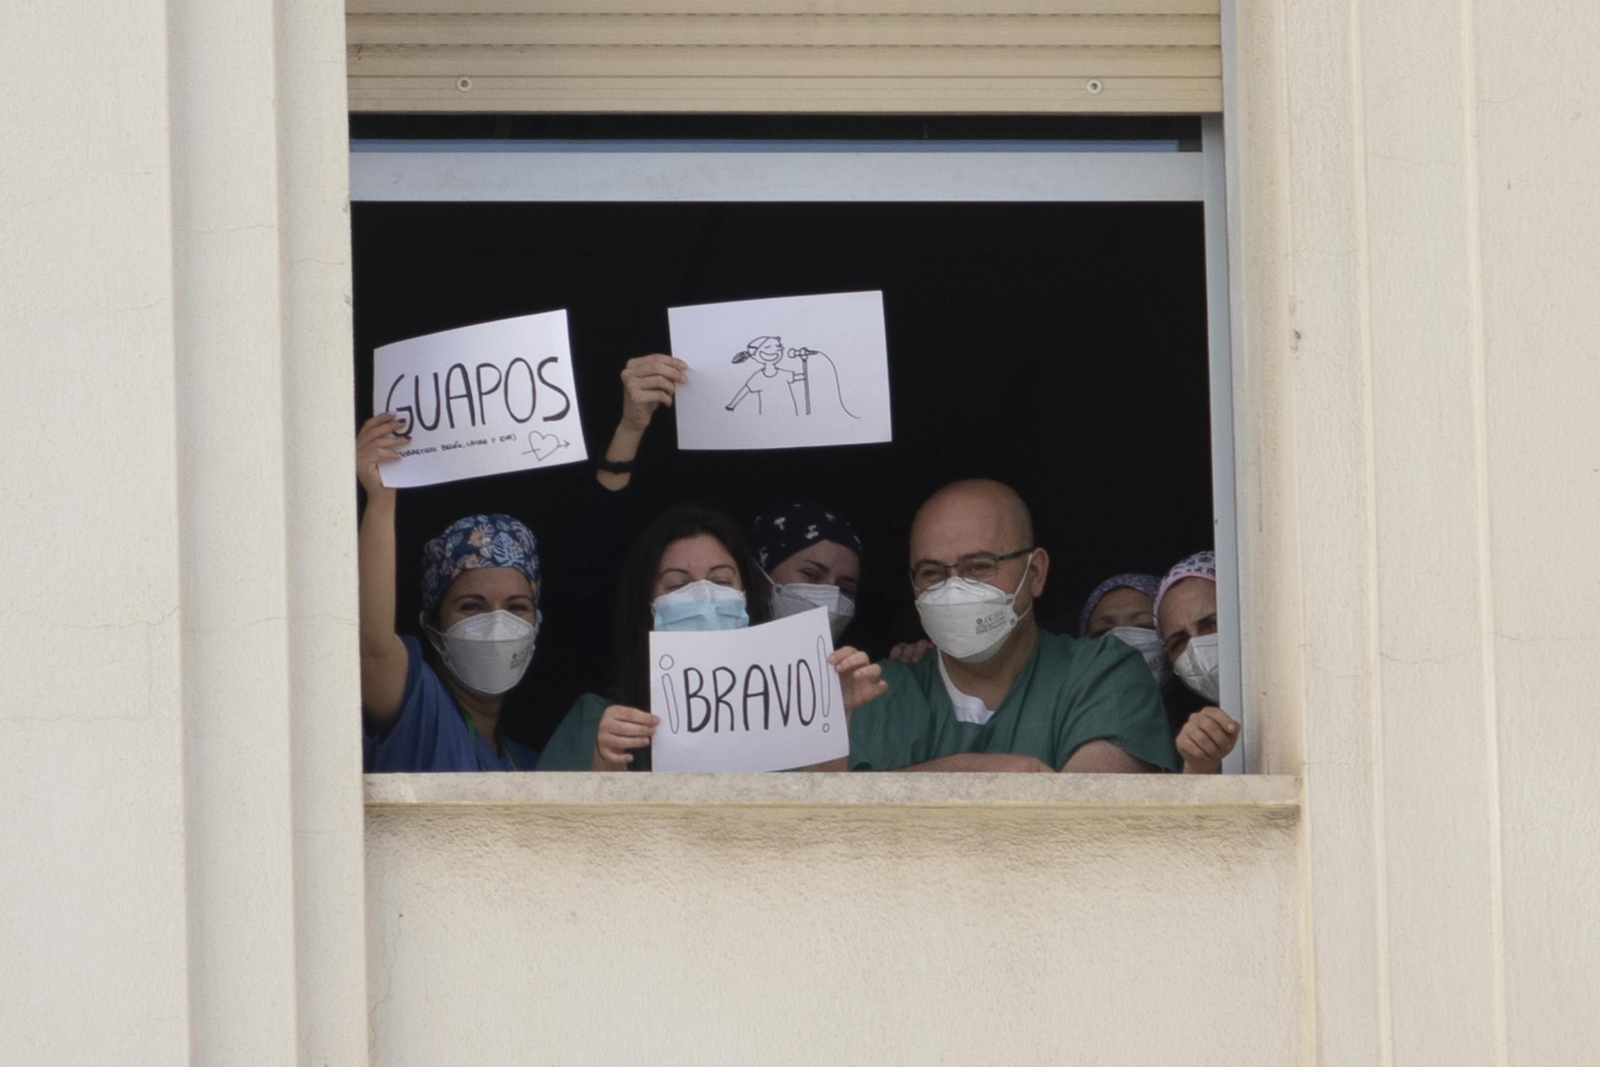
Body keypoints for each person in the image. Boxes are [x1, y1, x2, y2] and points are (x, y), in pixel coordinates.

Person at [847, 480, 1180, 772]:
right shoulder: (874, 694)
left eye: (978, 567)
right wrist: (984, 772)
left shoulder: (1104, 673)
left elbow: (1086, 818)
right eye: (931, 573)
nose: (953, 589)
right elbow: (825, 817)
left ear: (1035, 573)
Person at [538, 504, 886, 771]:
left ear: (748, 597)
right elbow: (560, 840)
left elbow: (824, 818)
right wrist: (607, 759)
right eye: (677, 584)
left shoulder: (788, 709)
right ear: (648, 605)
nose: (703, 595)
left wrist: (833, 713)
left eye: (721, 582)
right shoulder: (596, 718)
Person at [357, 413, 542, 772]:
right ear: (432, 626)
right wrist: (380, 500)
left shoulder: (531, 765)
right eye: (472, 606)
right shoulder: (421, 709)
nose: (496, 622)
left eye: (516, 607)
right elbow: (374, 645)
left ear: (537, 623)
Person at [1153, 550, 1241, 774]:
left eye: (1211, 623)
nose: (1196, 646)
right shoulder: (1178, 735)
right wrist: (1197, 764)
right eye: (1179, 641)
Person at [752, 501, 865, 641]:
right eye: (811, 574)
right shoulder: (721, 653)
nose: (831, 598)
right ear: (762, 573)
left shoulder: (849, 662)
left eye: (845, 589)